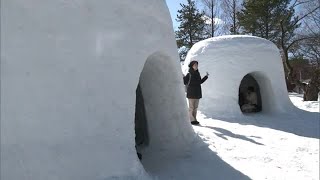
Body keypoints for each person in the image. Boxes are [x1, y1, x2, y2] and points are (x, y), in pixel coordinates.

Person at [183, 60, 208, 125]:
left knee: (195, 108)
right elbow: (184, 82)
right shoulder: (189, 74)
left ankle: (194, 119)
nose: (196, 66)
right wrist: (182, 77)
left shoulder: (198, 73)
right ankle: (191, 120)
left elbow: (200, 82)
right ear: (192, 66)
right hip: (191, 93)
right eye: (195, 65)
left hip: (197, 93)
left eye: (197, 65)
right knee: (191, 107)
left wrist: (206, 77)